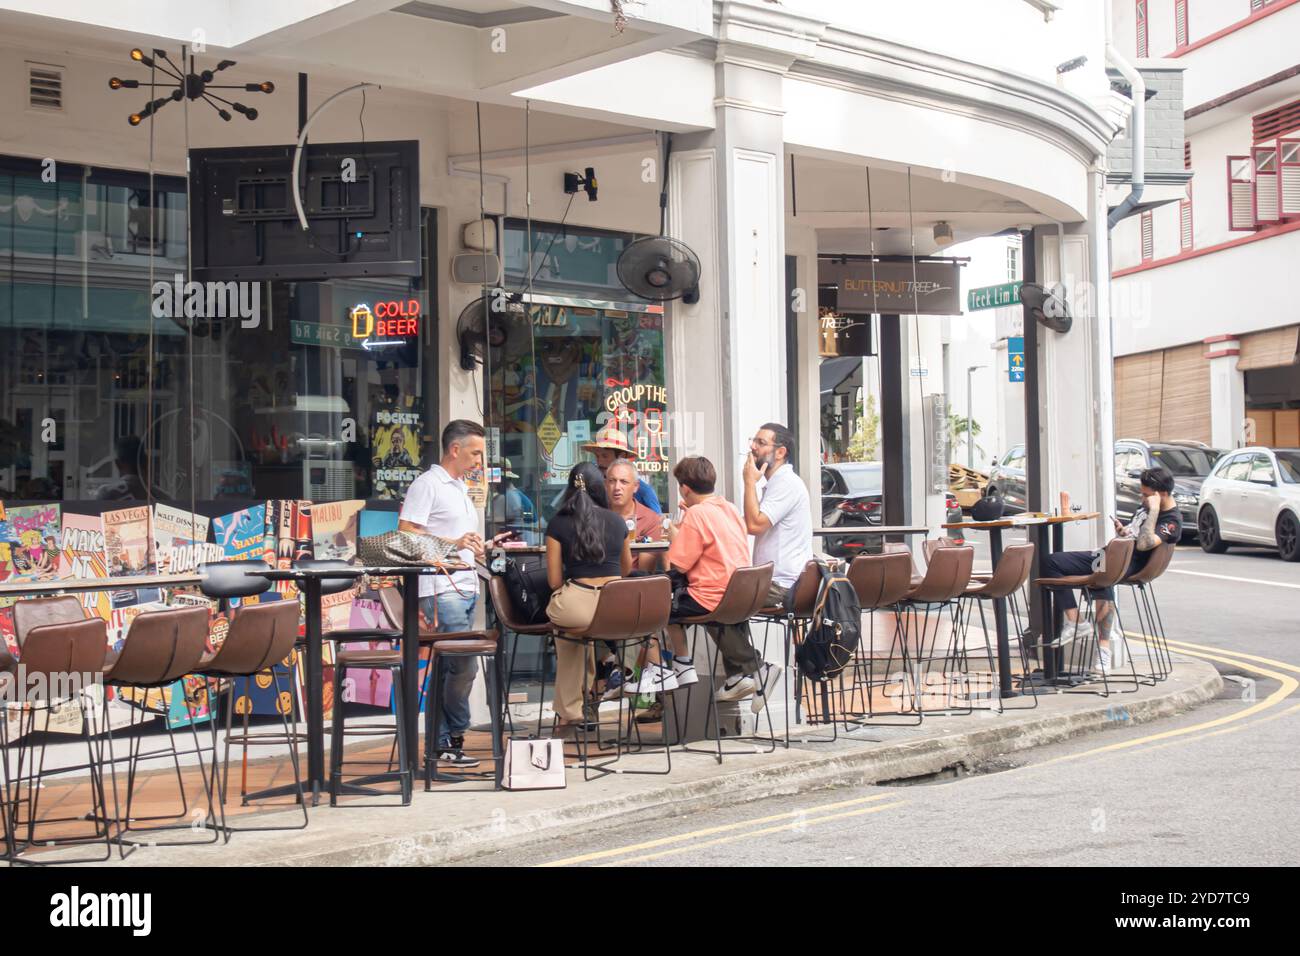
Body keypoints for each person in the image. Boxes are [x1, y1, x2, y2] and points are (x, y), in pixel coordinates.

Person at [398, 419, 511, 768]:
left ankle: (446, 739)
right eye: (475, 452)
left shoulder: (460, 487)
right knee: (458, 664)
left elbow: (453, 540)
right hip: (438, 588)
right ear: (455, 449)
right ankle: (448, 736)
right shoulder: (427, 484)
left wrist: (479, 547)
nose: (480, 460)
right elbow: (405, 535)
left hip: (464, 585)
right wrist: (455, 543)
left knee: (459, 666)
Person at [631, 456, 780, 711]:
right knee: (702, 611)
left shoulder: (697, 515)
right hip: (741, 590)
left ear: (685, 488)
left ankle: (683, 665)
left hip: (712, 595)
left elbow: (679, 564)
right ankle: (738, 676)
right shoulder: (729, 507)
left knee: (658, 608)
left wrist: (677, 533)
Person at [1041, 466, 1183, 673]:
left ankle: (1104, 649)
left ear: (1161, 495)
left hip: (1130, 563)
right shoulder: (1146, 506)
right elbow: (1135, 534)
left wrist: (1153, 510)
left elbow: (1144, 544)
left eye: (1146, 495)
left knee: (1104, 574)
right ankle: (1076, 623)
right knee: (1051, 562)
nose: (1142, 498)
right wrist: (1124, 531)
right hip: (1111, 555)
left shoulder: (1171, 521)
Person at [544, 461, 633, 731]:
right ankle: (584, 703)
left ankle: (571, 710)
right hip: (615, 609)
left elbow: (554, 581)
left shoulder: (558, 523)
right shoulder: (617, 521)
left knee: (567, 628)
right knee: (584, 632)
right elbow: (626, 569)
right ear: (600, 488)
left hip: (578, 606)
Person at [742, 422, 814, 609]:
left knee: (718, 598)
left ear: (780, 452)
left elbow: (755, 525)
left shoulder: (786, 483)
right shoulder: (776, 483)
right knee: (717, 597)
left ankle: (740, 640)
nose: (753, 447)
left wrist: (749, 482)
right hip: (775, 582)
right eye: (753, 441)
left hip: (783, 585)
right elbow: (751, 521)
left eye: (761, 442)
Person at [582, 426, 662, 513]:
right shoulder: (592, 488)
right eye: (597, 456)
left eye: (605, 456)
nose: (599, 461)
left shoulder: (644, 491)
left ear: (622, 457)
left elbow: (657, 523)